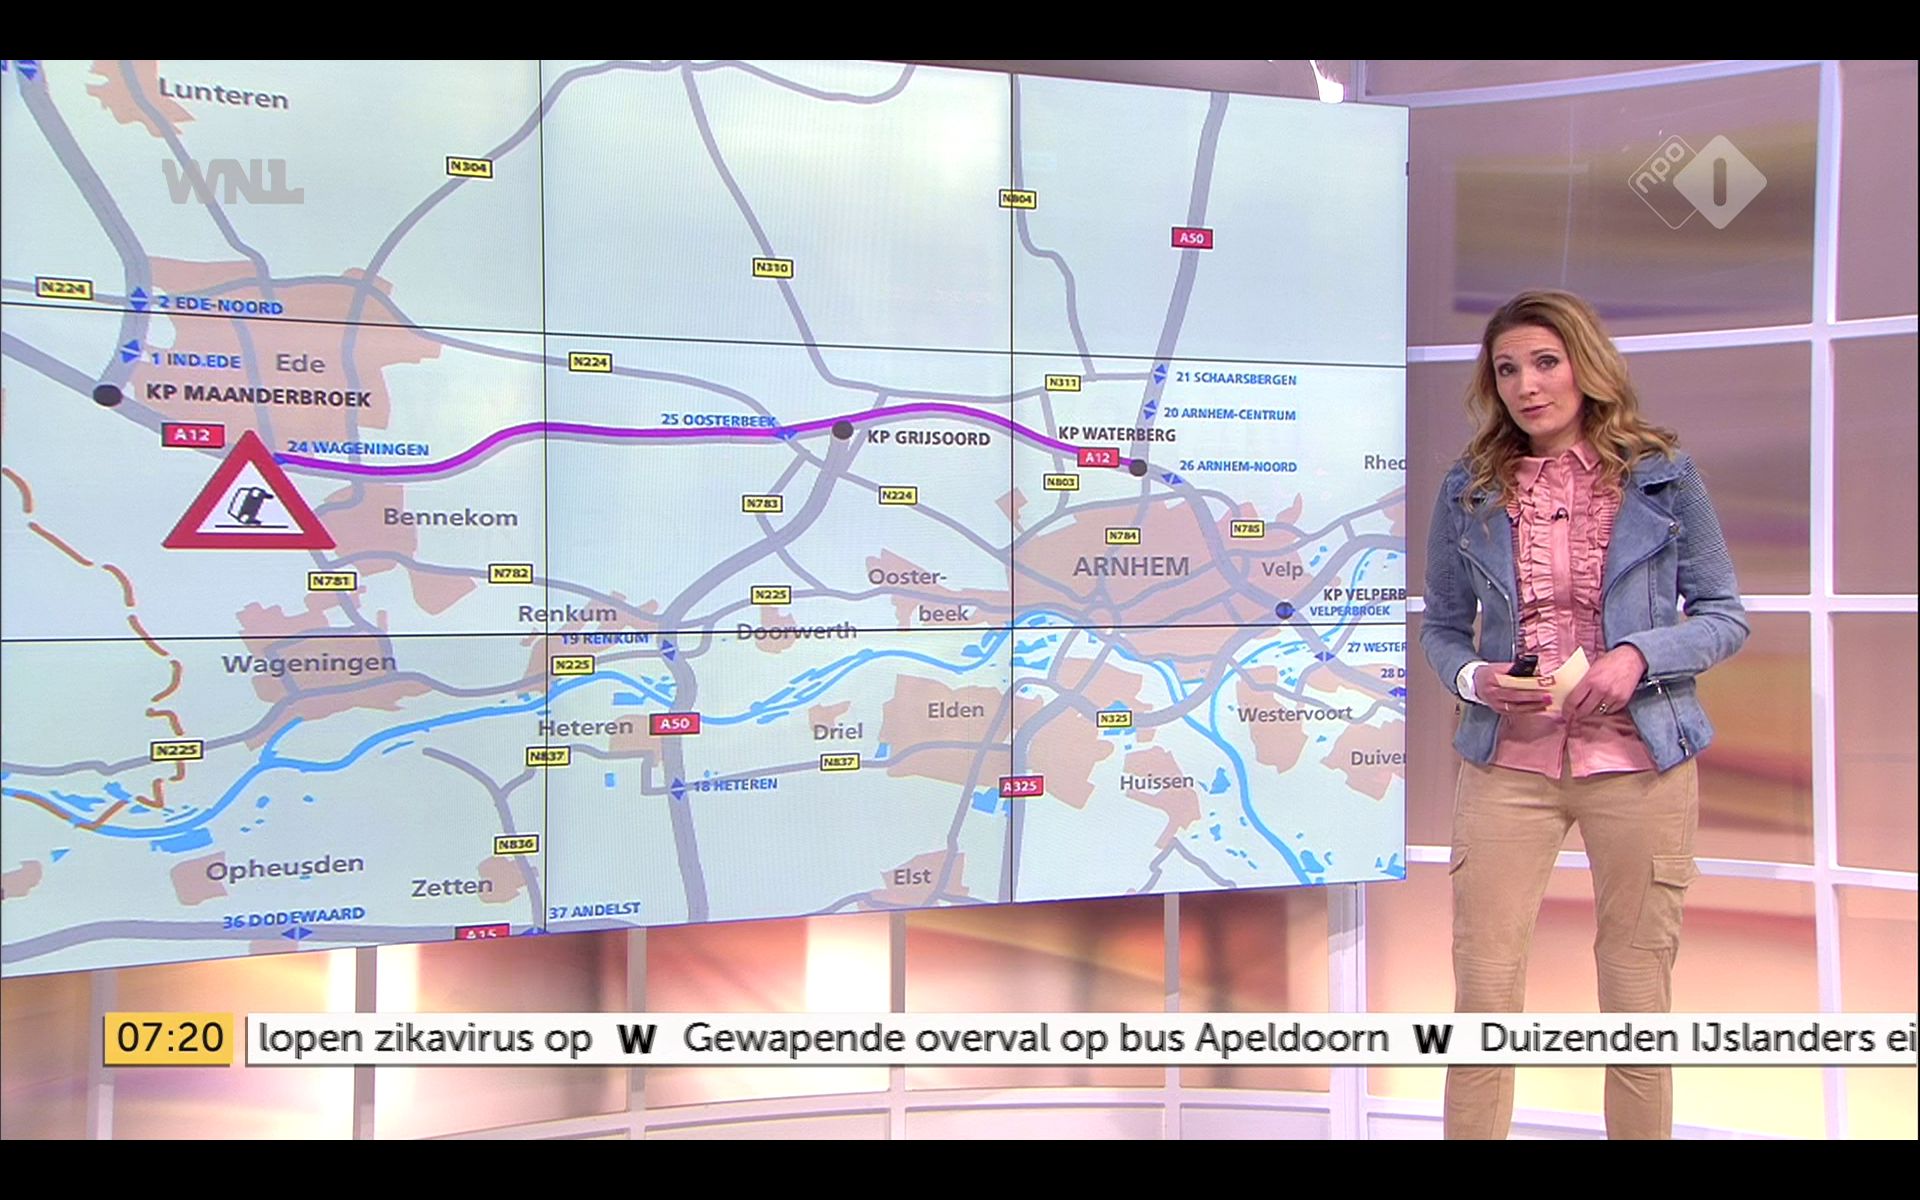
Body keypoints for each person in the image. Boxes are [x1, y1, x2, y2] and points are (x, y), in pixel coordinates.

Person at [1419, 289, 1749, 1139]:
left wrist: (1639, 655)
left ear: (1585, 365)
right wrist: (1476, 679)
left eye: (1544, 362)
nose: (1527, 386)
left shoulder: (1665, 476)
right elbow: (1444, 630)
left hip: (1640, 763)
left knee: (1636, 999)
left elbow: (1724, 615)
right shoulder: (1468, 488)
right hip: (1507, 766)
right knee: (1483, 998)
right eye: (1507, 370)